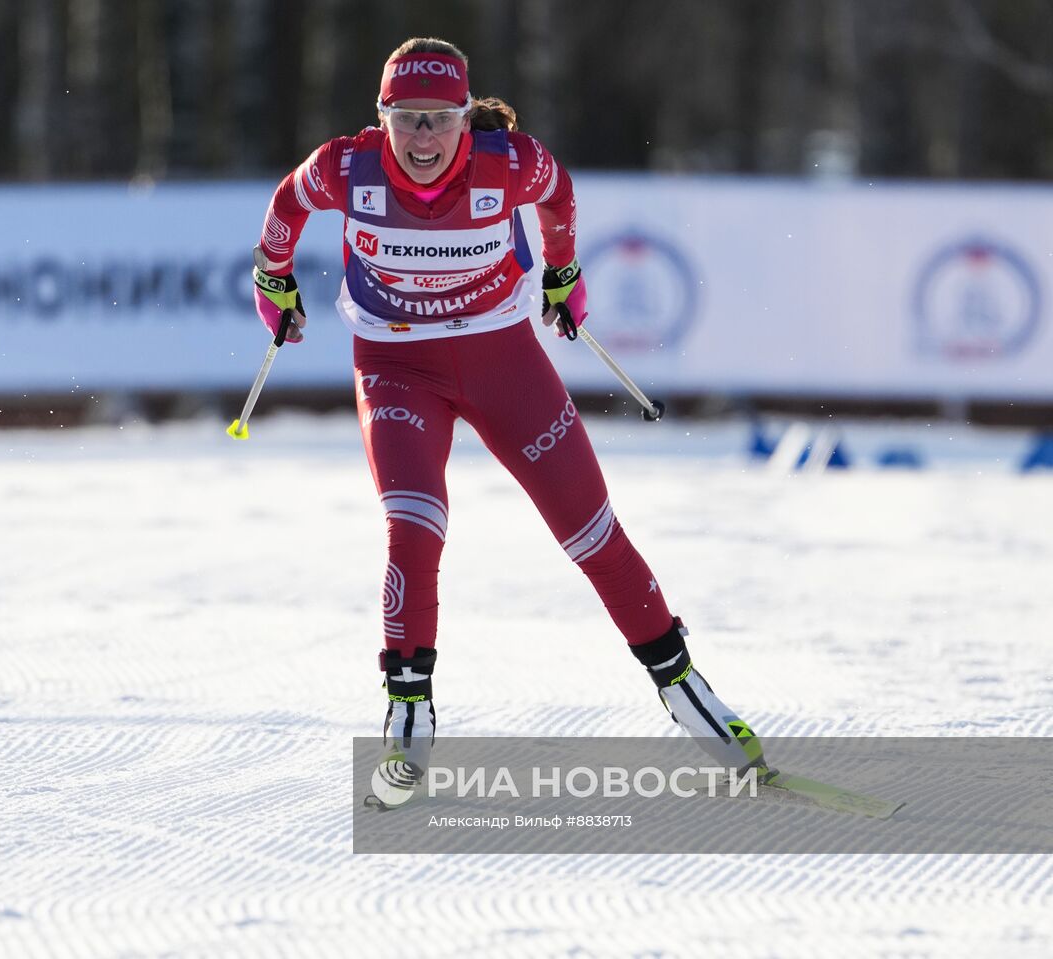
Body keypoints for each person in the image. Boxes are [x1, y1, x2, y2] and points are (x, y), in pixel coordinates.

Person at [251, 37, 761, 804]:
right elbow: (287, 205)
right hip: (396, 365)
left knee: (591, 531)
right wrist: (272, 278)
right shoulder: (344, 169)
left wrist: (563, 270)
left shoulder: (511, 163)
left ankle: (686, 690)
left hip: (502, 361)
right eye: (408, 120)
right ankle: (408, 710)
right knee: (413, 522)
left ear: (466, 119)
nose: (424, 140)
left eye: (441, 121)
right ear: (382, 118)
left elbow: (559, 198)